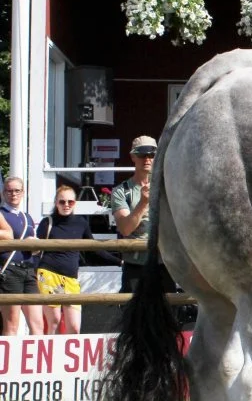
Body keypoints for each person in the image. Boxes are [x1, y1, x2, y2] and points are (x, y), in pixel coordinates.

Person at [35, 186, 118, 335]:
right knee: (52, 321)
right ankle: (50, 356)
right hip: (48, 274)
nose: (66, 205)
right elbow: (35, 251)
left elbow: (94, 248)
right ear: (56, 203)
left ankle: (65, 357)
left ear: (75, 203)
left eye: (70, 202)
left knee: (74, 326)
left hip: (71, 279)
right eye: (62, 201)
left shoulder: (81, 223)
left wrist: (119, 262)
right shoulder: (47, 222)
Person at [111, 136, 176, 293]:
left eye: (152, 154)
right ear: (133, 156)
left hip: (166, 263)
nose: (147, 159)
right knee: (134, 315)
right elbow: (125, 229)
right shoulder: (121, 191)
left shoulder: (170, 188)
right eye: (142, 154)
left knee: (168, 313)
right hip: (135, 264)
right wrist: (143, 202)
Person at [0, 177, 46, 336]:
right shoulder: (1, 214)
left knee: (38, 324)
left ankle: (37, 360)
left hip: (29, 269)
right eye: (9, 190)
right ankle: (6, 360)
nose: (13, 194)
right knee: (11, 323)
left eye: (17, 190)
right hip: (9, 270)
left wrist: (35, 246)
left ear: (23, 192)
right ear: (3, 193)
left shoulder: (27, 217)